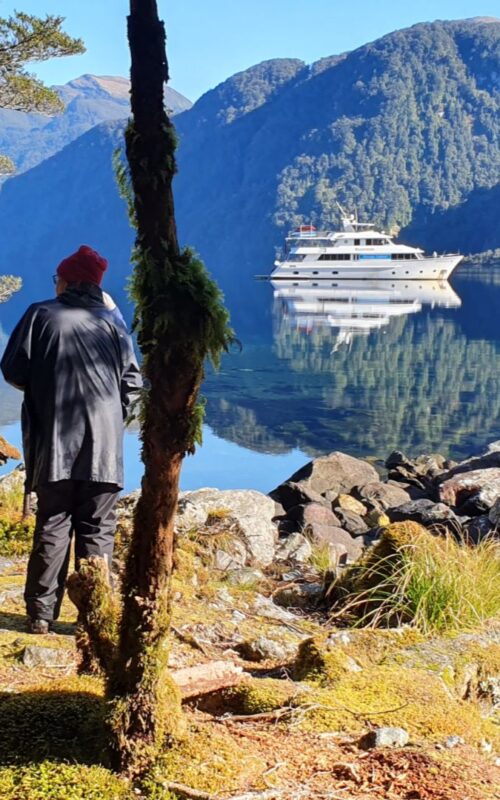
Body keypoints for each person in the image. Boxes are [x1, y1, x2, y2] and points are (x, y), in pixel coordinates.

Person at [0, 245, 142, 633]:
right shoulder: (115, 325)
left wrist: (45, 386)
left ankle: (41, 616)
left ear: (66, 280)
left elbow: (13, 370)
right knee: (98, 529)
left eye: (57, 277)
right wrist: (112, 419)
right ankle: (92, 618)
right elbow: (133, 384)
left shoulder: (41, 315)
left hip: (55, 444)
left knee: (53, 523)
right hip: (105, 450)